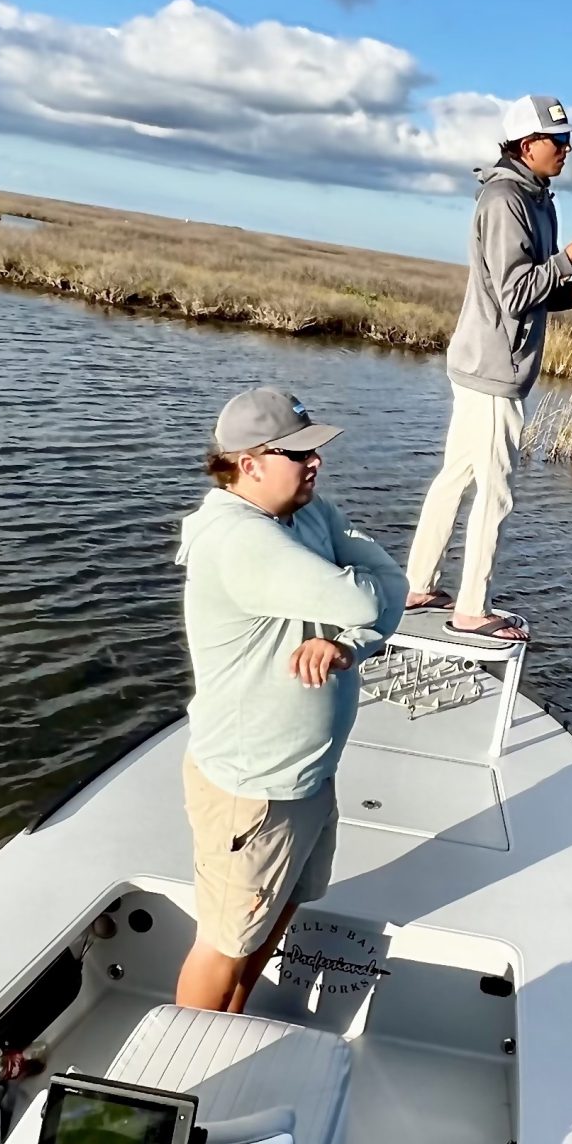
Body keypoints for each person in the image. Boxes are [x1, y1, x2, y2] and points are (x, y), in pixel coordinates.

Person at [173, 386, 405, 1013]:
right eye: (298, 453)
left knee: (277, 914)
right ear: (248, 462)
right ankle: (186, 1065)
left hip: (307, 777)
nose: (315, 463)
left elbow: (394, 585)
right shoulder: (239, 539)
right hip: (256, 790)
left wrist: (348, 641)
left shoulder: (308, 514)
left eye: (314, 450)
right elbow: (369, 594)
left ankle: (232, 1022)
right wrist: (359, 610)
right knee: (224, 943)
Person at [403, 94, 572, 641]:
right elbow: (512, 290)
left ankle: (417, 587)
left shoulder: (538, 199)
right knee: (495, 489)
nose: (568, 149)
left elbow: (533, 291)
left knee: (456, 477)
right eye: (559, 141)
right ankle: (471, 610)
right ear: (528, 145)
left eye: (571, 140)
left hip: (493, 363)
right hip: (493, 369)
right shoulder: (506, 199)